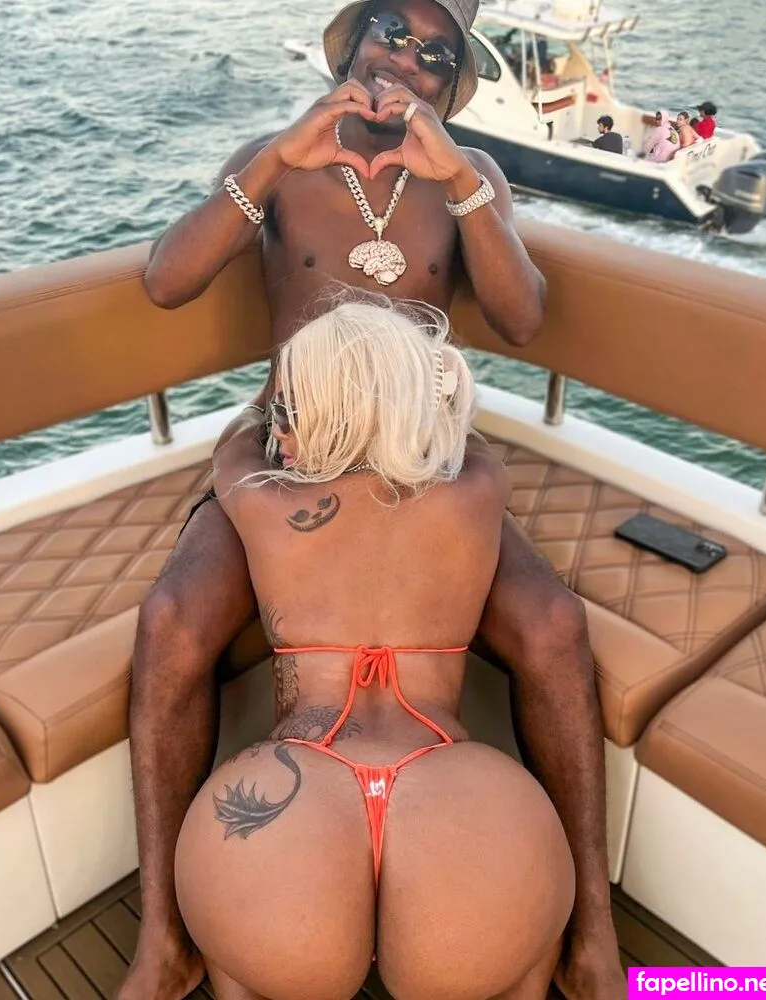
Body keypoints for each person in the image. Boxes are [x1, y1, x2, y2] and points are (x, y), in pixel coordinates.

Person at [122, 1, 626, 999]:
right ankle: (165, 937)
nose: (409, 60)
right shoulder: (274, 162)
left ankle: (593, 935)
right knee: (171, 622)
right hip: (293, 450)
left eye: (437, 54)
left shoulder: (471, 177)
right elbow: (166, 281)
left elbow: (522, 319)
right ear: (351, 43)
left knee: (555, 627)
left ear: (452, 84)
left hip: (422, 456)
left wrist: (462, 185)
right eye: (394, 32)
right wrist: (277, 158)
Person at [174, 294, 577, 1000]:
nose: (281, 430)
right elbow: (460, 425)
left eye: (290, 411)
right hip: (451, 773)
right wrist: (418, 382)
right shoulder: (479, 490)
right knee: (524, 951)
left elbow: (233, 442)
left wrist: (267, 405)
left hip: (295, 782)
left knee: (240, 956)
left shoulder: (263, 498)